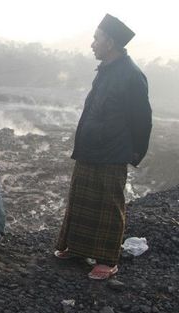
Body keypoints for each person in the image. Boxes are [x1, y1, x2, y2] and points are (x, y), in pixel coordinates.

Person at [55, 14, 152, 280]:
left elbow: (142, 120)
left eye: (96, 38)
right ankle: (76, 248)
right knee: (82, 199)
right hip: (90, 150)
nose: (92, 44)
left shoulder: (132, 75)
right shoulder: (106, 71)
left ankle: (108, 260)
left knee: (109, 206)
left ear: (110, 42)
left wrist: (133, 154)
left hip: (112, 153)